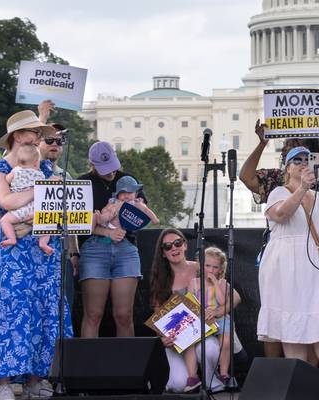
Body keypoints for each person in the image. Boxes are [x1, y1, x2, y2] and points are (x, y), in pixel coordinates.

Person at [0, 109, 70, 400]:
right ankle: (4, 383)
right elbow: (7, 201)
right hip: (14, 250)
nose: (39, 138)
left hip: (43, 247)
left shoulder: (42, 167)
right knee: (14, 308)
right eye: (34, 133)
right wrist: (38, 190)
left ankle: (36, 378)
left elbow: (51, 206)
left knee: (46, 308)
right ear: (19, 136)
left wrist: (33, 217)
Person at [258, 146, 319, 387]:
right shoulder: (277, 192)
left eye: (308, 159)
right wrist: (303, 189)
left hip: (318, 264)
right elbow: (282, 214)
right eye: (297, 160)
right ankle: (301, 386)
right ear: (287, 167)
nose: (303, 163)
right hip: (286, 265)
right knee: (292, 326)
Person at [76, 141, 146, 338]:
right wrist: (105, 231)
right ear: (92, 165)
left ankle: (128, 367)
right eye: (104, 169)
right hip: (93, 249)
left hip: (126, 248)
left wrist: (125, 216)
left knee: (124, 314)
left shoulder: (128, 180)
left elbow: (142, 216)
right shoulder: (83, 183)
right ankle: (89, 368)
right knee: (93, 314)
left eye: (113, 167)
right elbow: (77, 223)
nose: (111, 173)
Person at [149, 229, 228, 392]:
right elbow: (158, 315)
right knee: (178, 384)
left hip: (202, 331)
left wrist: (219, 312)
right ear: (163, 253)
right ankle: (191, 379)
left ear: (185, 245)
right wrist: (163, 337)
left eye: (177, 243)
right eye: (167, 246)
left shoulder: (203, 267)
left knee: (210, 349)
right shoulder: (161, 278)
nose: (174, 248)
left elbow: (235, 297)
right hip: (177, 337)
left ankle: (211, 381)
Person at [0, 146, 52, 254]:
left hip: (20, 208)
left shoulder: (16, 171)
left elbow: (6, 180)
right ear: (36, 163)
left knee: (5, 220)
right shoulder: (40, 174)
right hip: (36, 208)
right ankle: (43, 243)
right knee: (47, 224)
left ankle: (11, 238)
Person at [201, 247, 244, 383]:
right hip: (202, 321)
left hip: (219, 321)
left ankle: (224, 373)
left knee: (226, 341)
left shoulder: (222, 283)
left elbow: (231, 299)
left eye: (215, 267)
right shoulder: (196, 282)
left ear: (220, 269)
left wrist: (219, 311)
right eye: (207, 266)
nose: (211, 270)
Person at [94, 176, 158, 232]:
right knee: (110, 211)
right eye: (123, 192)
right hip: (107, 226)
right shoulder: (115, 201)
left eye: (130, 192)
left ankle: (102, 219)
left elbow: (146, 210)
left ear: (136, 194)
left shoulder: (136, 203)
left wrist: (154, 219)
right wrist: (105, 212)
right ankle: (100, 219)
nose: (126, 196)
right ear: (118, 195)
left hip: (120, 229)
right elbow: (105, 209)